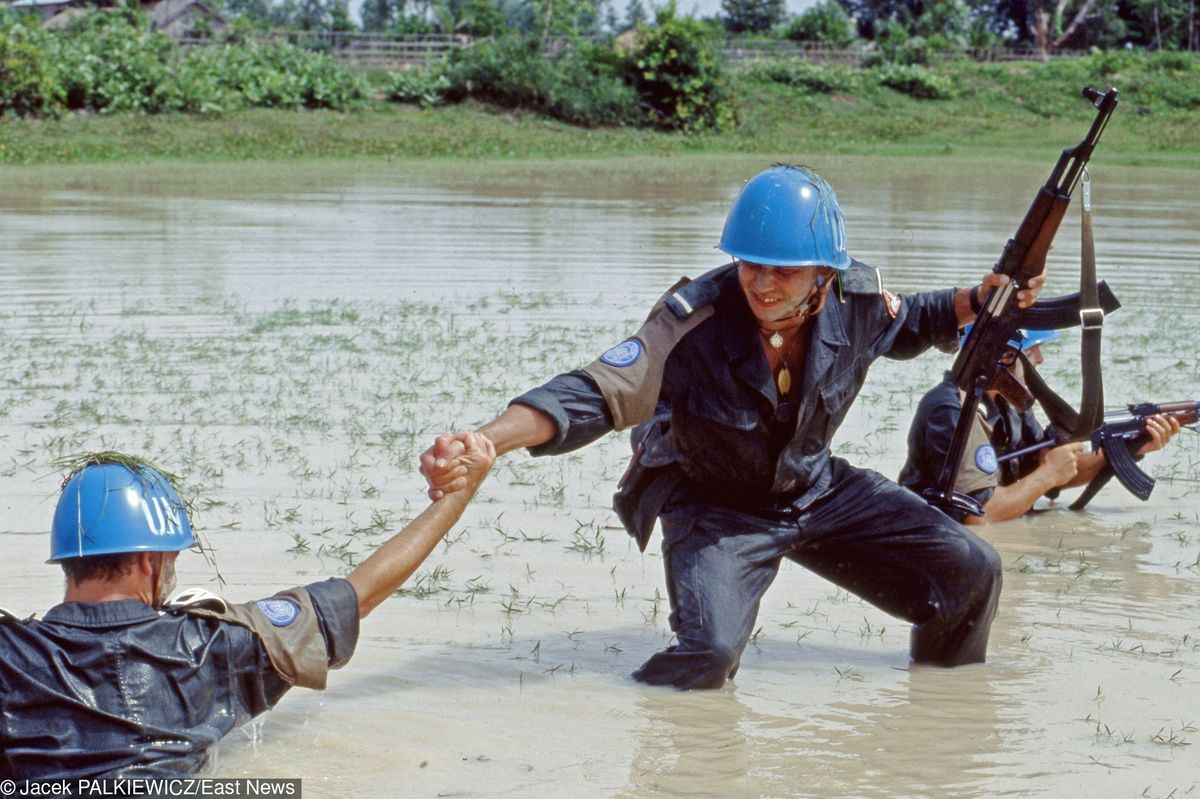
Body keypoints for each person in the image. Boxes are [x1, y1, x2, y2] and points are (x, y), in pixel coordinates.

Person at [420, 164, 1045, 690]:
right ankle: (650, 713)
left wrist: (980, 297)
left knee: (971, 570)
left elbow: (913, 320)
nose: (763, 284)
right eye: (752, 264)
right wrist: (486, 441)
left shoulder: (857, 302)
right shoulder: (691, 319)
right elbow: (595, 390)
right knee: (709, 657)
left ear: (824, 276)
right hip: (714, 507)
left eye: (786, 270)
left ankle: (939, 714)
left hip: (815, 490)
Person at [0, 436, 495, 779]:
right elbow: (359, 593)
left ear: (67, 560)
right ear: (150, 561)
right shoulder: (217, 645)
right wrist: (457, 495)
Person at [899, 329, 1183, 523]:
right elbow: (979, 514)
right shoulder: (957, 408)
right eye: (1032, 352)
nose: (1040, 360)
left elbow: (1048, 470)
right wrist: (1048, 474)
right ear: (1004, 358)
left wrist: (1125, 448)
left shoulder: (1007, 402)